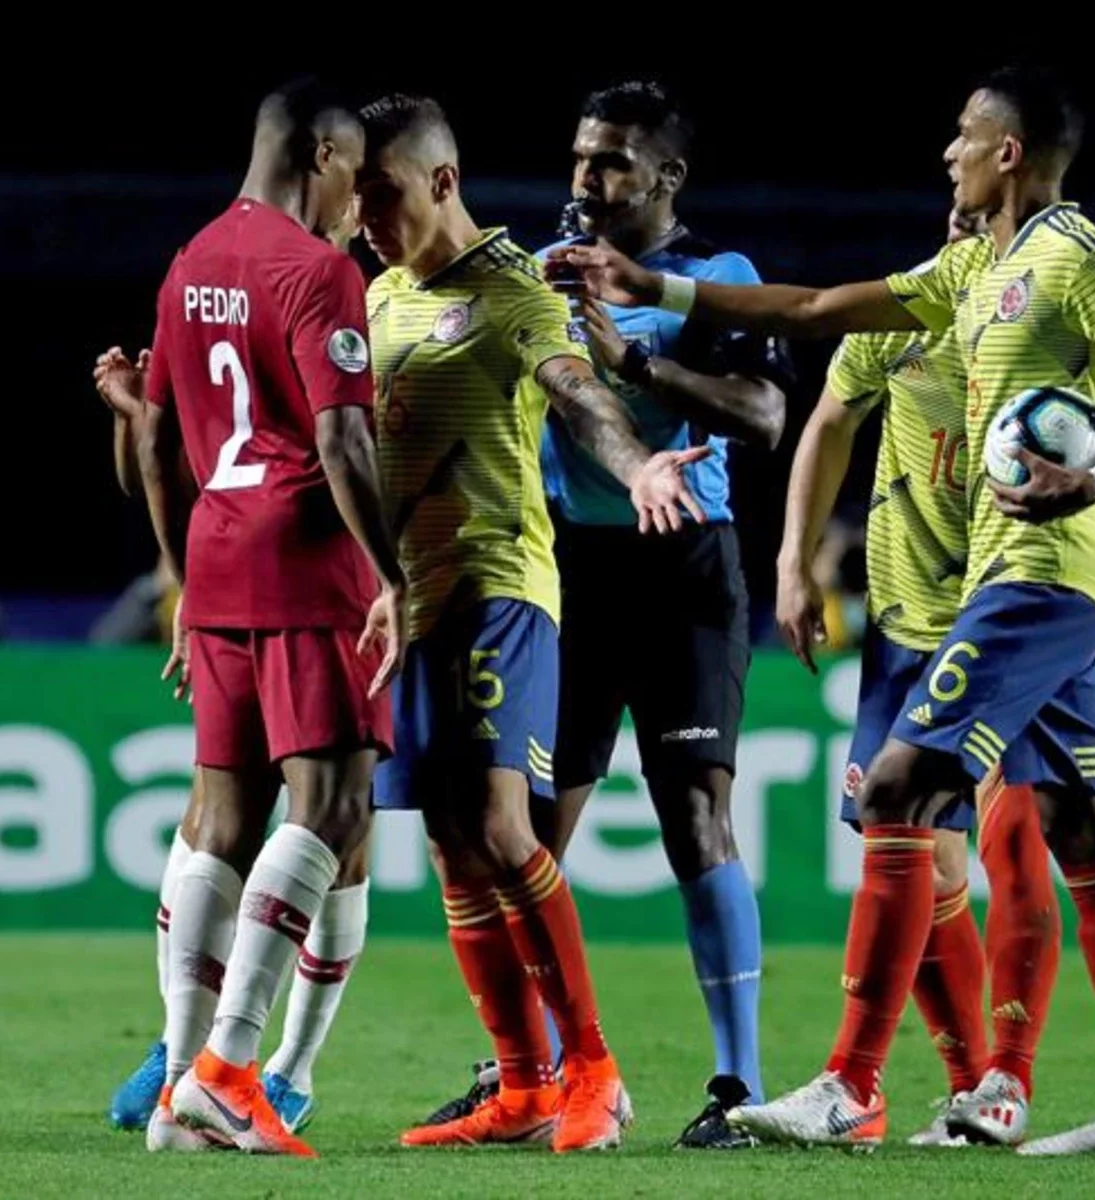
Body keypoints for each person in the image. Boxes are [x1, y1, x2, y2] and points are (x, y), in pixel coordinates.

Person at [550, 64, 1095, 1157]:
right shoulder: (970, 268)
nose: (945, 150)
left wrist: (1094, 479)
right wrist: (653, 288)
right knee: (1081, 827)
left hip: (1040, 570)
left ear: (1007, 152)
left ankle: (854, 1085)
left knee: (905, 790)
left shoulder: (1082, 257)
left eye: (962, 134)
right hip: (983, 580)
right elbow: (811, 311)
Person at [416, 79, 789, 1150]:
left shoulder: (715, 281)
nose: (588, 177)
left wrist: (629, 356)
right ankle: (540, 1076)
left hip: (683, 574)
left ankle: (736, 1086)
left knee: (696, 824)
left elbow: (764, 414)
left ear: (666, 177)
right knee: (523, 837)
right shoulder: (531, 275)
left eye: (615, 159)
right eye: (582, 155)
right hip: (560, 574)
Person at [355, 94, 706, 1154]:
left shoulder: (511, 290)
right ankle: (518, 1085)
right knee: (453, 852)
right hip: (404, 609)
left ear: (443, 181)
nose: (365, 214)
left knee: (505, 831)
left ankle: (592, 1071)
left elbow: (575, 393)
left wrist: (637, 459)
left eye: (383, 192)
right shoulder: (375, 297)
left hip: (498, 589)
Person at [95, 76, 404, 1158]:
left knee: (219, 819)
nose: (356, 204)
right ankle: (230, 1072)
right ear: (322, 155)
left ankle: (182, 1078)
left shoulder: (189, 264)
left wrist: (178, 580)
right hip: (307, 565)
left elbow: (154, 440)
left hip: (217, 567)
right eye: (353, 177)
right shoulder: (316, 272)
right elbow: (342, 442)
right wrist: (392, 577)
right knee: (332, 807)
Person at [778, 207, 1065, 1146]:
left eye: (981, 212)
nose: (961, 216)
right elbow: (829, 420)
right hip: (904, 629)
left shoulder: (1049, 332)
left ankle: (991, 1082)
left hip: (1006, 618)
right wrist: (795, 560)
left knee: (1014, 844)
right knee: (919, 851)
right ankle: (961, 1089)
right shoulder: (901, 317)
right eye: (957, 211)